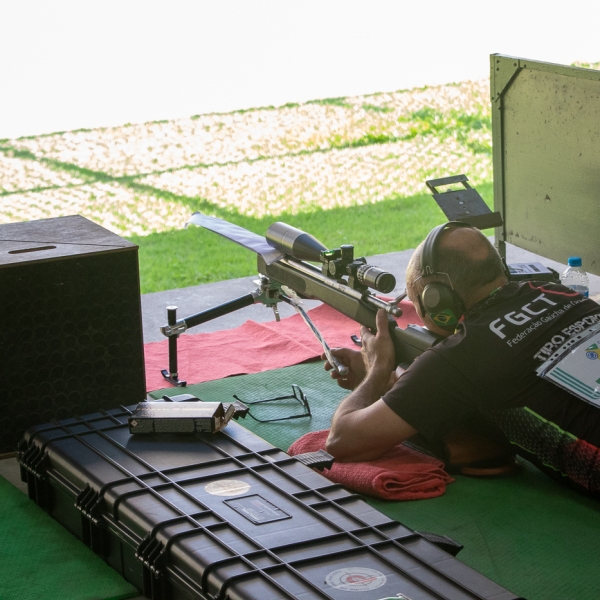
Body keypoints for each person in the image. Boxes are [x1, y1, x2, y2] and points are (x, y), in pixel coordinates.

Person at [323, 222, 600, 497]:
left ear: (437, 301)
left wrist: (377, 368)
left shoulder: (461, 356)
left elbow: (343, 441)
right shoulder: (557, 292)